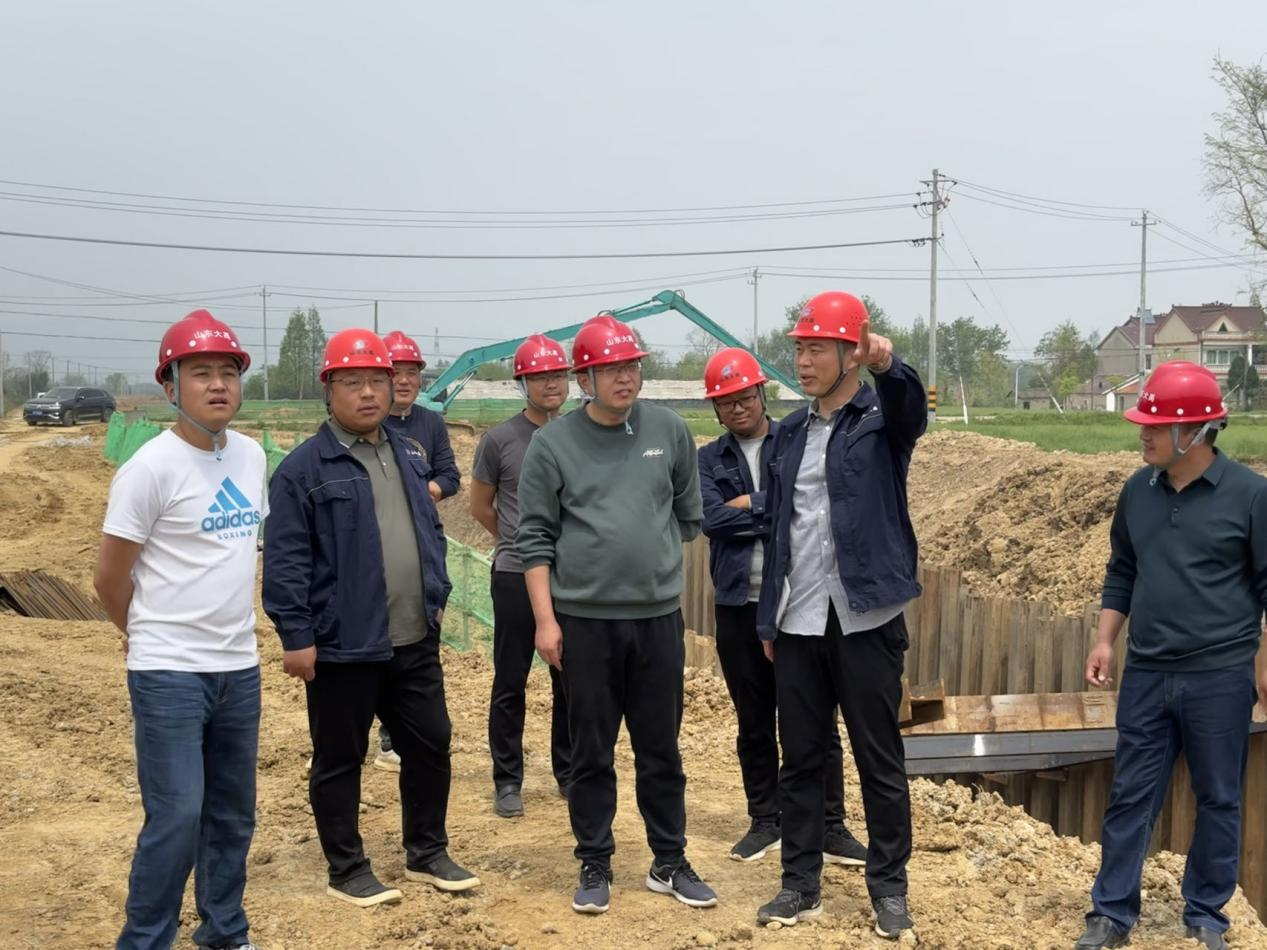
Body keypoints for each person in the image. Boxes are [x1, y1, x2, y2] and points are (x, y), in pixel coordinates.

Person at [263, 328, 478, 908]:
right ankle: (347, 867)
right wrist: (296, 634)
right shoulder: (304, 469)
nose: (368, 393)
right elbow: (286, 560)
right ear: (328, 390)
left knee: (431, 743)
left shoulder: (408, 453)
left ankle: (427, 851)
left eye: (378, 381)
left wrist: (436, 593)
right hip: (343, 643)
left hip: (413, 635)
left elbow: (429, 530)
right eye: (352, 382)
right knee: (340, 756)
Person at [517, 314, 717, 915]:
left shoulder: (669, 430)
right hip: (584, 623)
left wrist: (644, 557)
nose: (624, 377)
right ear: (584, 379)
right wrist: (546, 622)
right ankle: (595, 860)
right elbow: (534, 539)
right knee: (591, 750)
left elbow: (687, 514)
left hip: (656, 619)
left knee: (661, 748)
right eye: (610, 369)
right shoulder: (553, 445)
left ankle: (669, 860)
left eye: (631, 366)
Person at [1075, 361, 1267, 950]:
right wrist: (1105, 640)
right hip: (1148, 672)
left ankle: (1205, 914)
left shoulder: (1251, 495)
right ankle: (1111, 913)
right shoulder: (1138, 491)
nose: (1144, 434)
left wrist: (1263, 666)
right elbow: (1122, 570)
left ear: (1197, 431)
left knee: (1219, 797)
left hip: (1220, 675)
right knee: (1131, 795)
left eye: (1156, 426)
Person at [754, 291, 925, 939]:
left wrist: (889, 365)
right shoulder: (788, 433)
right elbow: (779, 531)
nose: (802, 361)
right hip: (798, 619)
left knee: (877, 759)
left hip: (866, 617)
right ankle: (799, 885)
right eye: (799, 349)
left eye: (816, 349)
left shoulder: (882, 421)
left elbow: (910, 408)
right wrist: (768, 618)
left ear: (849, 354)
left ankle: (889, 889)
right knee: (800, 759)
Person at [95, 310, 265, 950]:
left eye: (228, 372)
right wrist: (142, 634)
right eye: (200, 373)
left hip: (238, 668)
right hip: (169, 671)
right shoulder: (149, 469)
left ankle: (224, 931)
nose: (218, 385)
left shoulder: (250, 456)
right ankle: (145, 939)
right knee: (176, 817)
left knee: (232, 814)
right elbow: (110, 579)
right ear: (170, 386)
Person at [698, 347, 868, 868]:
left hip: (798, 602)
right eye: (726, 401)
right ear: (716, 409)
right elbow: (709, 519)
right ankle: (765, 819)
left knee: (816, 719)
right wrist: (769, 508)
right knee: (753, 720)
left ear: (761, 394)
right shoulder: (709, 459)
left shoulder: (794, 437)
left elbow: (810, 506)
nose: (738, 407)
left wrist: (747, 505)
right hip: (738, 605)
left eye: (745, 396)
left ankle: (830, 824)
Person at [470, 334, 572, 818]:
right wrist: (519, 544)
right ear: (522, 383)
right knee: (511, 680)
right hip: (515, 574)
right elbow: (481, 506)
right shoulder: (500, 441)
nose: (551, 384)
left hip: (570, 577)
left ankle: (568, 772)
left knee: (569, 680)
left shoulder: (580, 434)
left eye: (558, 375)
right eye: (540, 376)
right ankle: (508, 780)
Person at [368, 329, 461, 773]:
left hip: (423, 541)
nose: (404, 381)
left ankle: (405, 732)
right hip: (376, 546)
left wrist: (429, 490)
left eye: (411, 373)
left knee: (421, 636)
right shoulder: (369, 425)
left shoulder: (430, 423)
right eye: (396, 373)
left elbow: (451, 474)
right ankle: (380, 729)